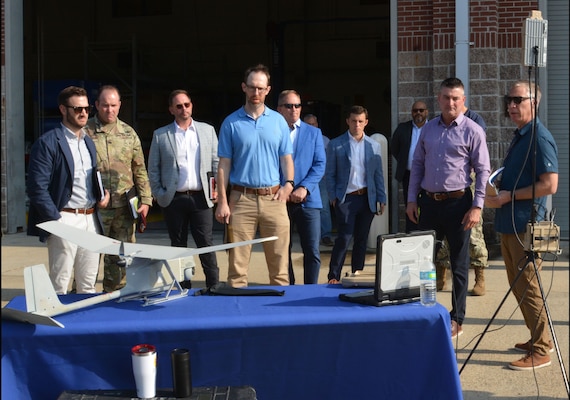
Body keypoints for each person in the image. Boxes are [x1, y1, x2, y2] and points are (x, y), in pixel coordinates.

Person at [406, 77, 490, 339]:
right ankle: (426, 308)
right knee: (424, 261)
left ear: (463, 100)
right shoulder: (428, 130)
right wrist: (411, 199)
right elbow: (417, 164)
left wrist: (477, 206)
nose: (450, 102)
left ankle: (457, 318)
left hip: (458, 205)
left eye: (456, 98)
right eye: (446, 97)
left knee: (459, 263)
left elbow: (483, 169)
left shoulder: (473, 131)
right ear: (439, 99)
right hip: (429, 203)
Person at [485, 80, 558, 370]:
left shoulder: (539, 137)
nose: (511, 106)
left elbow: (549, 184)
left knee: (528, 287)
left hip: (524, 225)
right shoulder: (521, 135)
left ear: (534, 103)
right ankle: (539, 337)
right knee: (519, 288)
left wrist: (509, 196)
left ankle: (540, 350)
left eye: (518, 100)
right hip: (509, 222)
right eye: (509, 100)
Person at [215, 64, 295, 287]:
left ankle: (280, 318)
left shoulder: (278, 121)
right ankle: (236, 317)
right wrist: (222, 201)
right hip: (241, 200)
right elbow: (223, 165)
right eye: (252, 87)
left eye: (260, 88)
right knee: (237, 271)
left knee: (280, 268)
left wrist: (288, 185)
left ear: (268, 90)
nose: (256, 93)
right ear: (244, 87)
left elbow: (286, 159)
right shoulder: (231, 123)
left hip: (274, 199)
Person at [27, 86, 110, 294]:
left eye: (87, 108)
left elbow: (89, 178)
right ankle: (56, 326)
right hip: (64, 218)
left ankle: (84, 326)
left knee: (88, 284)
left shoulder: (89, 143)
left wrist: (101, 196)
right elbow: (37, 187)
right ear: (63, 110)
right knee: (60, 284)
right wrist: (55, 220)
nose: (83, 113)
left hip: (90, 218)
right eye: (77, 109)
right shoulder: (47, 143)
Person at [148, 89, 220, 287]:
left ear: (192, 105)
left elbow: (216, 163)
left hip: (201, 197)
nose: (183, 109)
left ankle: (213, 286)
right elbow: (153, 168)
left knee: (206, 244)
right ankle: (183, 287)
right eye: (178, 106)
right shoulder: (161, 135)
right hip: (174, 198)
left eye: (186, 104)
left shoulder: (207, 131)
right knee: (178, 247)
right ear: (171, 109)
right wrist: (160, 193)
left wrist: (216, 191)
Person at [85, 85, 152, 293]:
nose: (109, 110)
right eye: (105, 105)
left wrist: (146, 200)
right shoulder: (85, 132)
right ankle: (82, 296)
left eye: (113, 105)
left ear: (120, 105)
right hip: (95, 208)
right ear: (96, 105)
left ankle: (114, 296)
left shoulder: (128, 133)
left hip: (124, 207)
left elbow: (139, 168)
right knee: (88, 257)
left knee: (121, 257)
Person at [326, 105, 386, 284]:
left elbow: (378, 174)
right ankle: (334, 276)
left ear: (366, 122)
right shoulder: (336, 144)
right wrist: (333, 196)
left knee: (361, 240)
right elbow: (330, 173)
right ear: (347, 121)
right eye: (353, 121)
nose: (357, 125)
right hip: (346, 198)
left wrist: (381, 197)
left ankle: (357, 275)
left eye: (360, 121)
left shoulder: (373, 145)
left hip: (367, 198)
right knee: (344, 238)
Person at [436, 103, 490, 296]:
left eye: (454, 99)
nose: (449, 104)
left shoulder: (474, 121)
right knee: (442, 238)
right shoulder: (440, 122)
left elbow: (479, 159)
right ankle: (441, 276)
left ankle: (479, 278)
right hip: (444, 189)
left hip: (469, 186)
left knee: (474, 234)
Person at [277, 92, 326, 284]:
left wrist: (304, 188)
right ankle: (288, 289)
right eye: (289, 106)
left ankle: (310, 290)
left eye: (297, 105)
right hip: (280, 200)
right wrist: (283, 189)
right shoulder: (272, 132)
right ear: (279, 109)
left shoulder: (313, 133)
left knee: (312, 251)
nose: (294, 109)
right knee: (282, 251)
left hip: (309, 200)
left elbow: (320, 164)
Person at [390, 100, 429, 233]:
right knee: (410, 206)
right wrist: (403, 161)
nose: (418, 113)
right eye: (415, 110)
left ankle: (426, 235)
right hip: (409, 175)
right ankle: (411, 235)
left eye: (421, 110)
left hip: (428, 176)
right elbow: (394, 148)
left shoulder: (433, 128)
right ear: (411, 113)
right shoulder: (403, 128)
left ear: (426, 112)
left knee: (427, 207)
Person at [304, 113, 334, 247]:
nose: (311, 126)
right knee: (304, 209)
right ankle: (309, 236)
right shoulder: (297, 138)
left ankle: (326, 235)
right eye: (308, 124)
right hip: (303, 180)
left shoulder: (325, 140)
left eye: (313, 124)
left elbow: (330, 161)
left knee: (324, 208)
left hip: (321, 180)